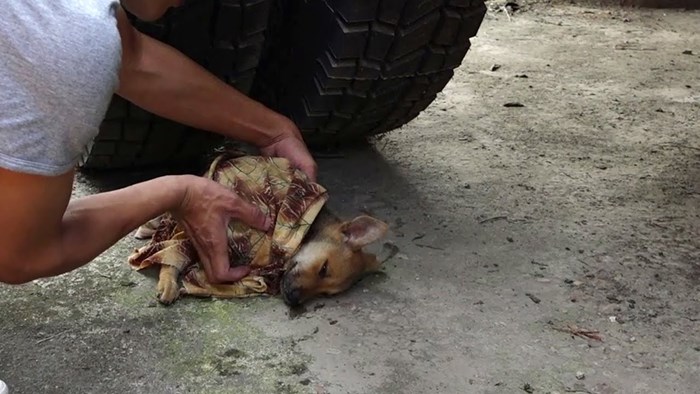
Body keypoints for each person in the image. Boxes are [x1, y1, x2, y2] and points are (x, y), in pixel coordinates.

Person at [0, 0, 318, 290]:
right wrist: (178, 193)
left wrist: (272, 130)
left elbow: (133, 58)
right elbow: (19, 254)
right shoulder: (66, 37)